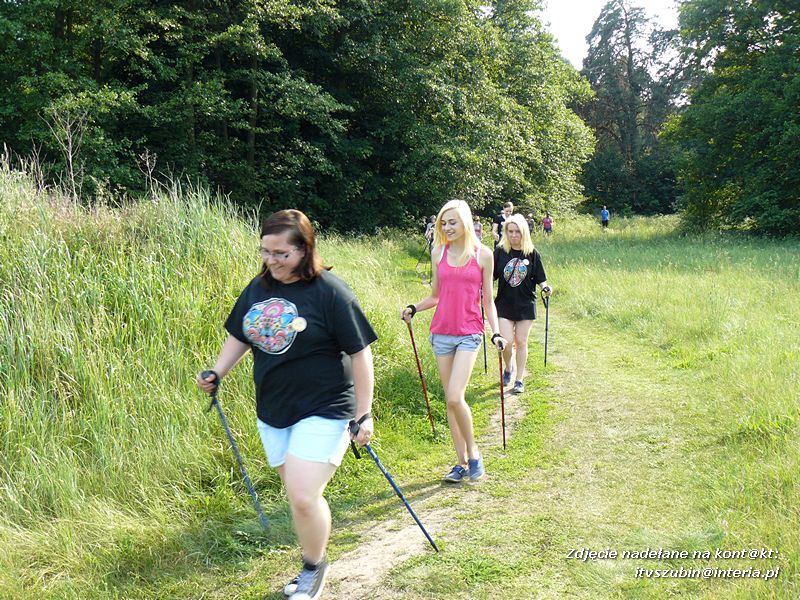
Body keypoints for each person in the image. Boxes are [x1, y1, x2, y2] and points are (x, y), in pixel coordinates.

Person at [197, 209, 377, 600]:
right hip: (274, 409)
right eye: (266, 251)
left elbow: (360, 354)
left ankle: (313, 568)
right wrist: (218, 372)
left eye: (281, 253)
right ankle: (313, 555)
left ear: (304, 249)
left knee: (301, 495)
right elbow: (241, 335)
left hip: (327, 406)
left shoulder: (331, 292)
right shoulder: (258, 288)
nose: (272, 260)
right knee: (299, 496)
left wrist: (364, 413)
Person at [401, 200, 506, 483]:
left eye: (452, 222)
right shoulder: (438, 252)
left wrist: (495, 332)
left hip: (470, 333)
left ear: (465, 223)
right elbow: (435, 296)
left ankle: (474, 453)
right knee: (450, 403)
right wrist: (414, 307)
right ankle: (459, 463)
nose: (447, 227)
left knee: (454, 396)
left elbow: (488, 300)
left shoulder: (483, 255)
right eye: (443, 223)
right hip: (442, 334)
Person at [494, 214, 552, 394]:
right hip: (504, 303)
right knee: (506, 341)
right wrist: (480, 288)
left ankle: (519, 379)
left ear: (523, 232)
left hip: (526, 303)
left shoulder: (532, 254)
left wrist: (546, 288)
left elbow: (541, 279)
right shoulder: (500, 252)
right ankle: (508, 368)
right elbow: (490, 277)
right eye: (510, 231)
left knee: (521, 341)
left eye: (517, 231)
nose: (513, 235)